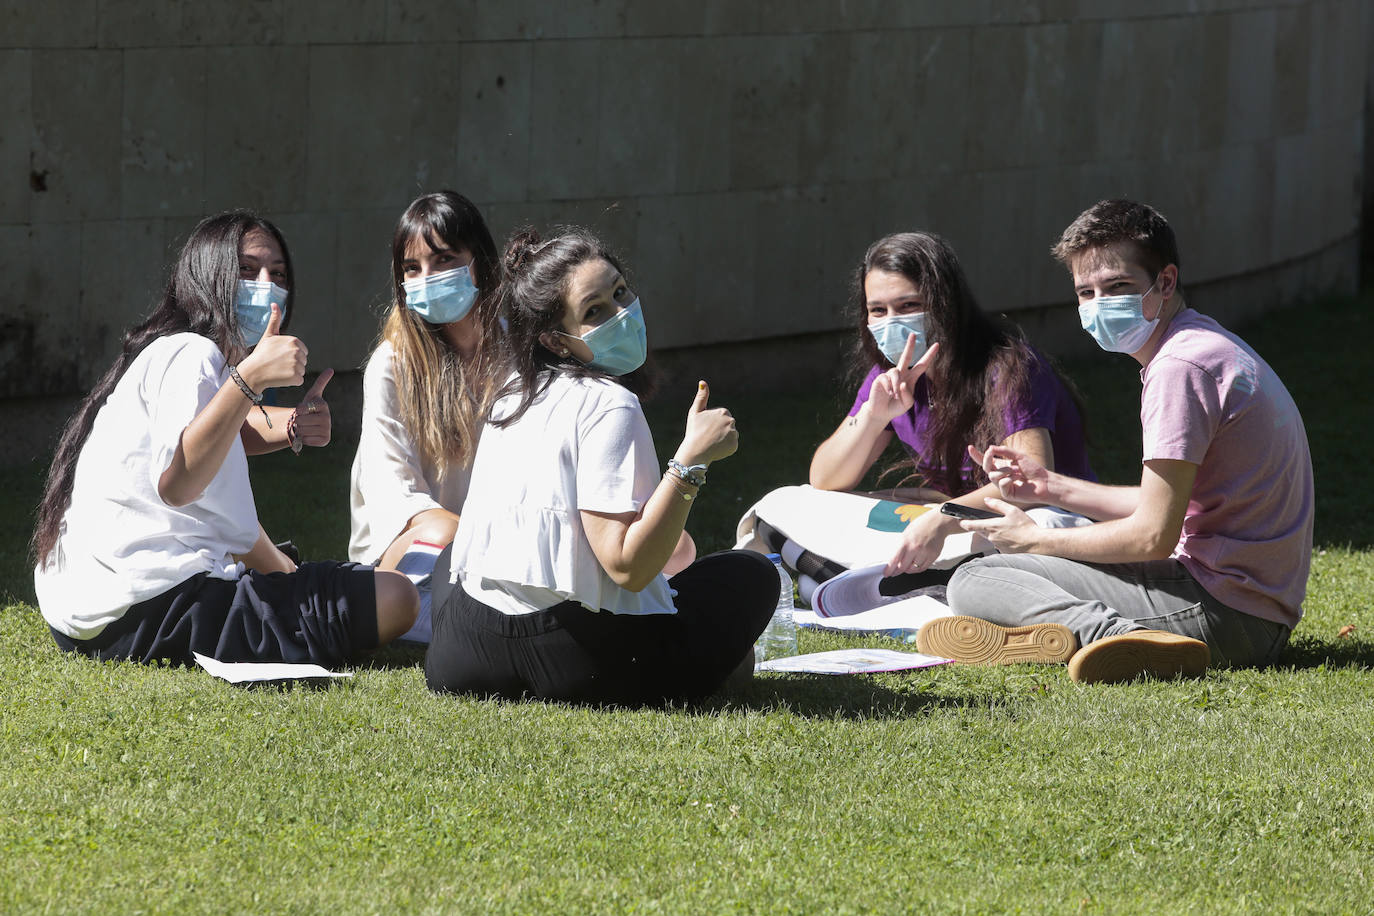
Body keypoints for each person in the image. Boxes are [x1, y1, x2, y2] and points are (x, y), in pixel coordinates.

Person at [924, 199, 1313, 684]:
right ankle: (1058, 641)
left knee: (976, 578)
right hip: (1253, 608)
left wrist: (1037, 539)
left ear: (1165, 282)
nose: (1097, 305)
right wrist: (1049, 487)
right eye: (1085, 292)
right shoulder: (1202, 346)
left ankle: (1118, 638)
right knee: (998, 569)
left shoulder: (1179, 369)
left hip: (1227, 616)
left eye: (1117, 287)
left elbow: (1153, 535)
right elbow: (1167, 506)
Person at [32, 211, 418, 667]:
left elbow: (222, 429)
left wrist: (290, 422)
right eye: (246, 270)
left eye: (278, 274)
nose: (266, 285)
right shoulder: (193, 355)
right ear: (207, 274)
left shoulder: (174, 351)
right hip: (157, 612)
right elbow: (181, 482)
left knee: (327, 582)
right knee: (396, 595)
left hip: (89, 615)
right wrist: (252, 376)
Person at [424, 227, 779, 704]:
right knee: (751, 574)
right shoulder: (612, 404)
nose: (623, 313)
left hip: (463, 654)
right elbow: (626, 567)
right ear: (556, 340)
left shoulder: (512, 392)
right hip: (582, 665)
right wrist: (691, 459)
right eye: (595, 312)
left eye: (620, 291)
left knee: (454, 558)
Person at [809, 231, 1094, 576]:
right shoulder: (889, 377)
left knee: (1037, 526)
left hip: (1034, 521)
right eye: (878, 311)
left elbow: (1029, 487)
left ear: (944, 303)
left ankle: (868, 581)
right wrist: (872, 416)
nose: (891, 322)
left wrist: (942, 519)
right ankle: (911, 583)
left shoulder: (1007, 368)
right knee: (803, 504)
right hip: (949, 520)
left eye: (909, 306)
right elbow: (825, 481)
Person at [348, 191, 503, 643]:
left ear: (481, 262)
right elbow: (397, 496)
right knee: (439, 528)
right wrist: (481, 536)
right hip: (413, 555)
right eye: (412, 269)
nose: (426, 278)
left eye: (444, 260)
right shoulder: (391, 365)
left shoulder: (518, 354)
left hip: (498, 546)